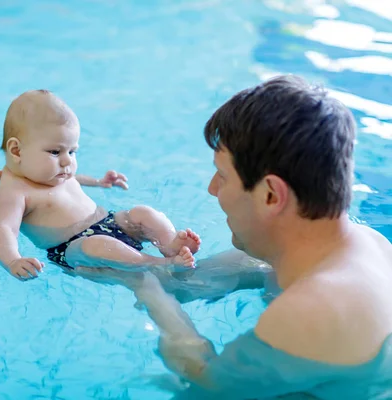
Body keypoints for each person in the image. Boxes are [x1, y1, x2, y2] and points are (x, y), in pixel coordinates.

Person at [126, 75, 392, 399]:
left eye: (222, 176)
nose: (212, 189)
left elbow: (209, 384)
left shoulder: (313, 310)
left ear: (270, 195)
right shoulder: (367, 243)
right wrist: (157, 272)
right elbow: (258, 265)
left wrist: (154, 296)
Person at [0, 89, 201, 281]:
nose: (67, 161)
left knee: (143, 213)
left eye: (72, 151)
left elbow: (74, 180)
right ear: (17, 151)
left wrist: (99, 182)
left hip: (108, 222)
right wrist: (13, 260)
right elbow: (4, 229)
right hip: (72, 247)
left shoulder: (52, 173)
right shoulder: (14, 191)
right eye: (55, 152)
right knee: (97, 245)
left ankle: (171, 246)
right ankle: (159, 264)